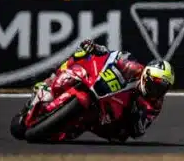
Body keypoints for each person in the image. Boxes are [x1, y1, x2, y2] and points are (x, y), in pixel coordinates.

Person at [30, 39, 175, 142]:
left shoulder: (155, 105)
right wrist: (97, 48)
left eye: (162, 88)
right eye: (155, 85)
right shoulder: (134, 67)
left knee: (119, 137)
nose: (157, 91)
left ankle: (77, 124)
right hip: (106, 88)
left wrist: (136, 114)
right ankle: (51, 80)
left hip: (114, 118)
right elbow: (112, 56)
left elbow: (139, 131)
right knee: (81, 55)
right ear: (146, 76)